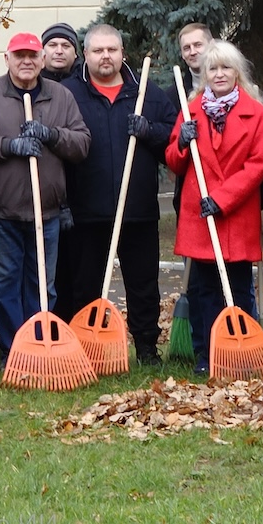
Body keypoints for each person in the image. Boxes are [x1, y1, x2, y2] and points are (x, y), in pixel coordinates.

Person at [0, 32, 90, 358]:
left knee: (42, 285)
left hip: (46, 211)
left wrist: (51, 135)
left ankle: (39, 346)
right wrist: (8, 146)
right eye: (19, 55)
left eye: (33, 55)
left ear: (42, 60)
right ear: (7, 59)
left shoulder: (60, 97)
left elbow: (81, 143)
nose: (26, 61)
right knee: (5, 283)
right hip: (1, 211)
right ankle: (13, 349)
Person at [59, 24, 178, 366]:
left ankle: (146, 347)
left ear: (123, 53)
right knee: (85, 284)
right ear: (85, 54)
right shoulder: (68, 94)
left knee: (143, 284)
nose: (105, 56)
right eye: (98, 50)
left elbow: (173, 140)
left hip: (137, 209)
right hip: (87, 210)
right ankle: (87, 345)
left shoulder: (146, 92)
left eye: (112, 49)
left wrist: (150, 130)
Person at [166, 41, 263, 373]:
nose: (220, 74)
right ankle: (208, 353)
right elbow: (174, 162)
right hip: (200, 216)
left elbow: (258, 165)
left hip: (235, 214)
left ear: (237, 72)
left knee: (239, 288)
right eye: (213, 68)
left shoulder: (258, 114)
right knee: (206, 289)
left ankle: (240, 352)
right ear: (205, 74)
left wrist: (223, 198)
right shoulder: (190, 111)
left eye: (226, 67)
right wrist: (182, 142)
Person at [178, 23, 213, 92]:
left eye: (198, 45)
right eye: (187, 48)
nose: (192, 52)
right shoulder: (174, 94)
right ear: (182, 54)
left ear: (212, 45)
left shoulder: (231, 84)